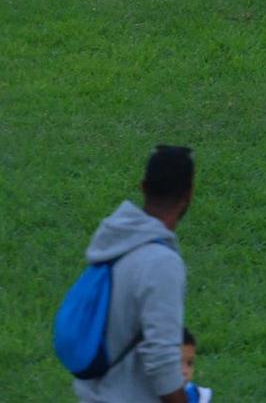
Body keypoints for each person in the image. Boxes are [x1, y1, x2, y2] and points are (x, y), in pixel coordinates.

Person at [71, 144, 193, 403]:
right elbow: (161, 356)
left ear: (143, 187)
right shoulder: (161, 263)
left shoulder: (113, 243)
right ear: (189, 195)